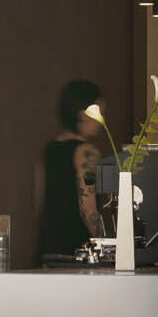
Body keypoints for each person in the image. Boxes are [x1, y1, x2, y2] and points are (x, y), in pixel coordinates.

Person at [35, 79, 107, 263]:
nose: (102, 121)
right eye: (98, 113)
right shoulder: (86, 151)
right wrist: (106, 245)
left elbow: (38, 201)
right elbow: (88, 208)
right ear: (81, 113)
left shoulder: (49, 149)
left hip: (49, 247)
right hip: (79, 250)